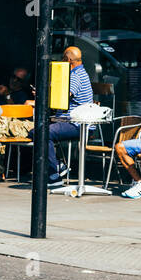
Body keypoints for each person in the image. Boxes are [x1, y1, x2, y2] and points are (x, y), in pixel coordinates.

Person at [45, 46, 94, 185]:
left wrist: (45, 96)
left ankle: (54, 175)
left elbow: (62, 97)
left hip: (78, 124)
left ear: (67, 60)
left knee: (44, 132)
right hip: (72, 122)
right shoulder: (80, 73)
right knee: (34, 131)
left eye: (62, 58)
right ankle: (59, 165)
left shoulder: (75, 76)